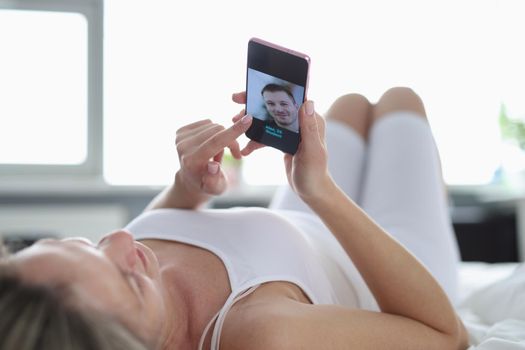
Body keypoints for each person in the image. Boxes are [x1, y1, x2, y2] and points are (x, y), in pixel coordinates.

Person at [0, 87, 469, 350]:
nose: (123, 239)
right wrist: (321, 191)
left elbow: (159, 223)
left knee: (349, 106)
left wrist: (187, 184)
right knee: (402, 102)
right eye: (130, 282)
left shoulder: (126, 259)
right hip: (382, 263)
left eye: (84, 244)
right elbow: (448, 335)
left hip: (302, 218)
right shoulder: (260, 333)